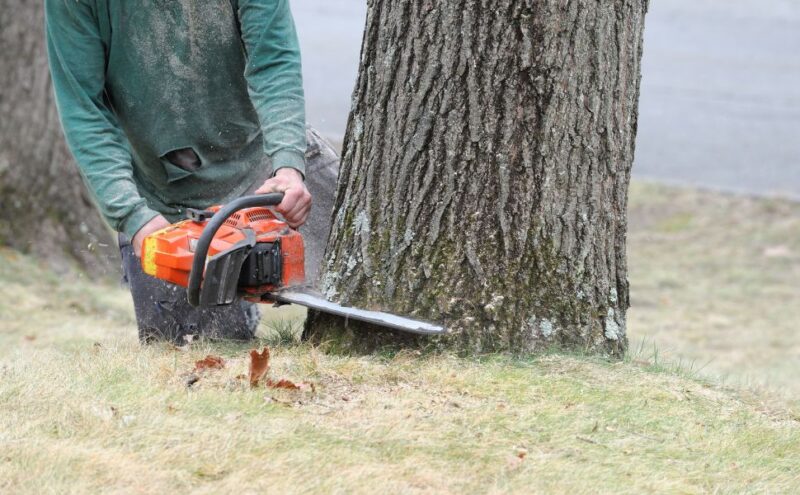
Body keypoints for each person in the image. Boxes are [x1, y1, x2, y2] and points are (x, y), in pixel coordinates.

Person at [45, 0, 312, 343]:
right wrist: (133, 215)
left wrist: (289, 165)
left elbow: (273, 63)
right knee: (190, 352)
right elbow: (84, 109)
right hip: (163, 200)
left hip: (265, 167)